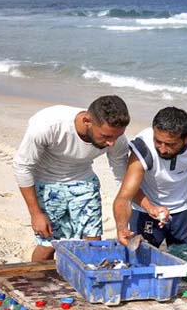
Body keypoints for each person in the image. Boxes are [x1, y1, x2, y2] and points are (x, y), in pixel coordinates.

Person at [13, 96, 130, 261]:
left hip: (84, 182)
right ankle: (37, 281)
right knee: (49, 244)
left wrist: (125, 222)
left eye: (116, 137)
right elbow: (22, 167)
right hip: (46, 183)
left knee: (93, 243)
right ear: (87, 120)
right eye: (105, 136)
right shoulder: (48, 125)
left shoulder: (116, 138)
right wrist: (35, 213)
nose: (111, 143)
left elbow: (122, 179)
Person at [113, 106, 187, 247]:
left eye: (170, 144)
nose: (162, 149)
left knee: (182, 256)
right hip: (145, 209)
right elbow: (125, 196)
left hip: (184, 207)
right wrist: (123, 227)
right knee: (143, 258)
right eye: (158, 141)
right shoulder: (143, 148)